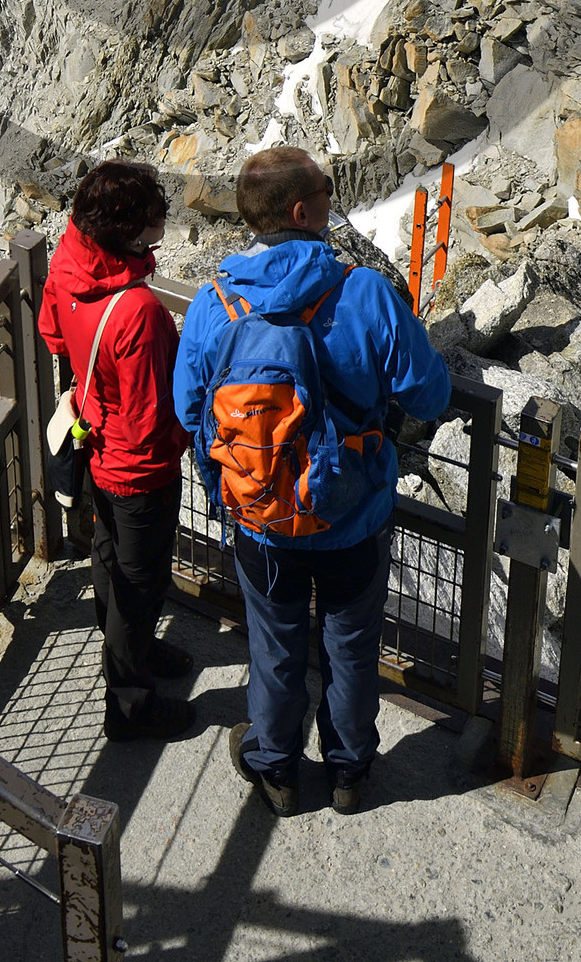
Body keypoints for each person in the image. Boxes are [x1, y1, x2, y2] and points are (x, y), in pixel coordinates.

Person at [173, 145, 450, 815]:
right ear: (303, 210)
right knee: (350, 648)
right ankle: (350, 772)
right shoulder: (364, 293)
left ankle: (276, 769)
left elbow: (188, 408)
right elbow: (432, 396)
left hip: (261, 520)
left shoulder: (215, 304)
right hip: (352, 519)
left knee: (275, 647)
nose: (334, 194)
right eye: (327, 187)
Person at [39, 159, 194, 742]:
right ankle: (129, 706)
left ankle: (138, 650)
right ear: (130, 231)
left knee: (111, 561)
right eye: (154, 217)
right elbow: (155, 421)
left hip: (97, 448)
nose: (162, 223)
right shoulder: (140, 311)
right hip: (139, 468)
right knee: (141, 582)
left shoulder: (68, 261)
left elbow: (54, 333)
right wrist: (192, 436)